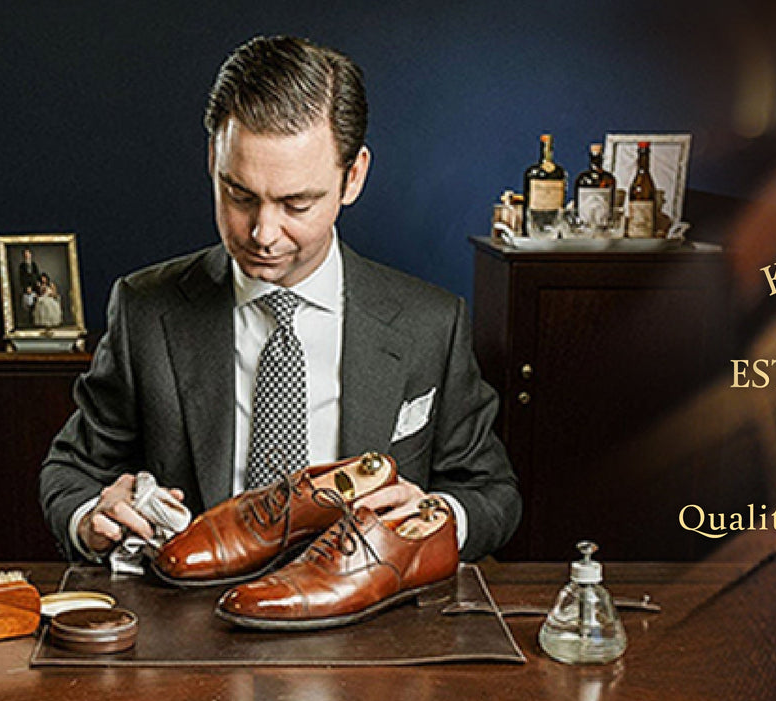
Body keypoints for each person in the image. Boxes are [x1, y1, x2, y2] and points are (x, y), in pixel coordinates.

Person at [37, 35, 519, 564]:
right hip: (192, 619)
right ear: (212, 161)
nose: (263, 233)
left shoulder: (433, 324)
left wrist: (434, 516)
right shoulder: (145, 309)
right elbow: (72, 472)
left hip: (367, 622)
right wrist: (93, 518)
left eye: (297, 203)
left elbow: (491, 493)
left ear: (352, 177)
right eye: (239, 195)